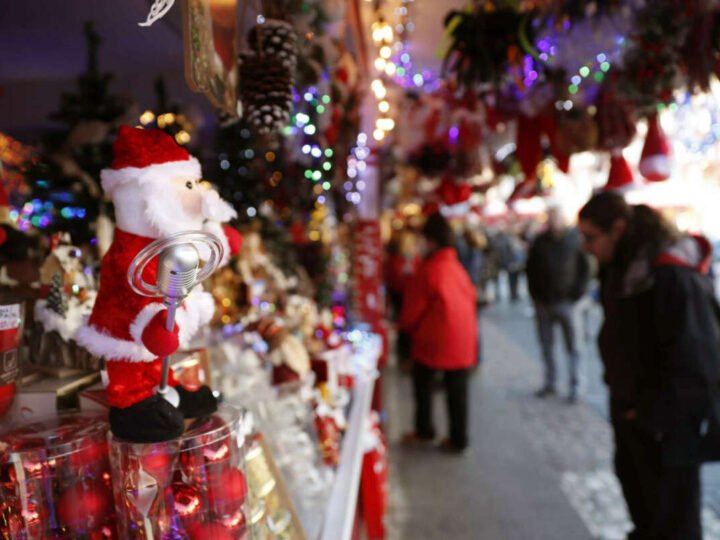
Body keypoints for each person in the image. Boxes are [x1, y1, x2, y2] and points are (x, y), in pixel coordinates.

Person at [578, 192, 720, 540]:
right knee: (644, 504)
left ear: (618, 228)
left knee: (673, 519)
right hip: (635, 414)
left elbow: (697, 362)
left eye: (591, 237)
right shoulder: (622, 268)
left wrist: (650, 414)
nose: (585, 247)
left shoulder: (669, 273)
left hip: (665, 426)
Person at [400, 212, 478, 453]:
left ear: (430, 240)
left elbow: (412, 311)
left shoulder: (430, 269)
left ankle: (424, 431)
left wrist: (405, 332)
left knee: (422, 382)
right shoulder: (456, 267)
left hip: (437, 340)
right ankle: (458, 439)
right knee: (458, 391)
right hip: (463, 340)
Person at [526, 205, 590, 402]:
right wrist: (536, 295)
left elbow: (585, 269)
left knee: (574, 347)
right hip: (544, 302)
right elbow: (531, 269)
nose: (554, 222)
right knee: (547, 345)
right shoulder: (540, 242)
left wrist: (576, 294)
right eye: (551, 218)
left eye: (557, 217)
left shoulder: (575, 240)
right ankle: (550, 382)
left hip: (567, 302)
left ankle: (576, 385)